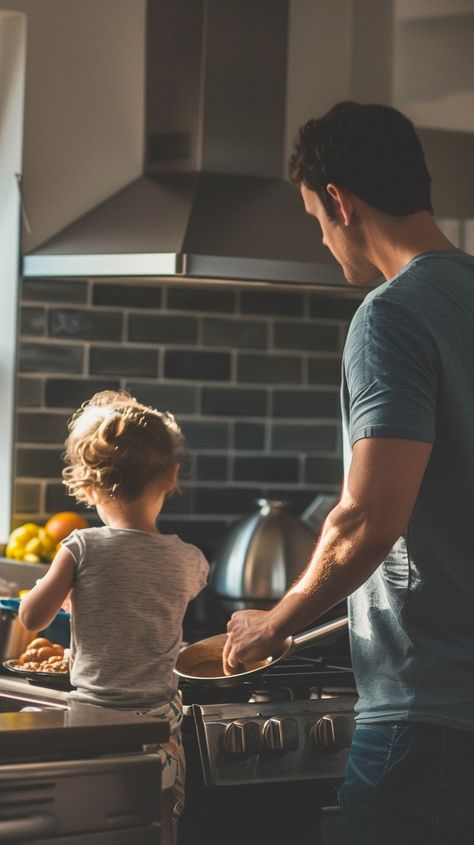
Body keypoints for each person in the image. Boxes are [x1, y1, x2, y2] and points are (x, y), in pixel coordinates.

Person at [223, 102, 474, 844]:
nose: (327, 242)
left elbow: (368, 518)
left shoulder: (391, 314)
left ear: (341, 201)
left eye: (317, 221)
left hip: (427, 719)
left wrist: (277, 619)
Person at [19, 389, 209, 845]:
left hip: (93, 720)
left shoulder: (80, 547)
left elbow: (31, 617)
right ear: (171, 476)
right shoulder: (190, 560)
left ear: (86, 487)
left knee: (92, 822)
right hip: (159, 723)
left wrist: (70, 595)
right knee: (158, 821)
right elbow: (148, 600)